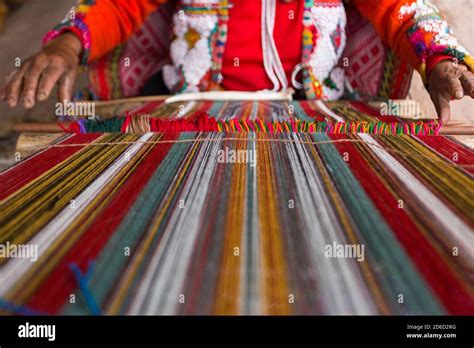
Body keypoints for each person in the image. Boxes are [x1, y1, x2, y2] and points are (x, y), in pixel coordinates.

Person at [1, 0, 473, 124]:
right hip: (190, 115)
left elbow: (398, 9)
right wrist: (68, 44)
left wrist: (438, 59)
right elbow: (119, 5)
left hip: (320, 116)